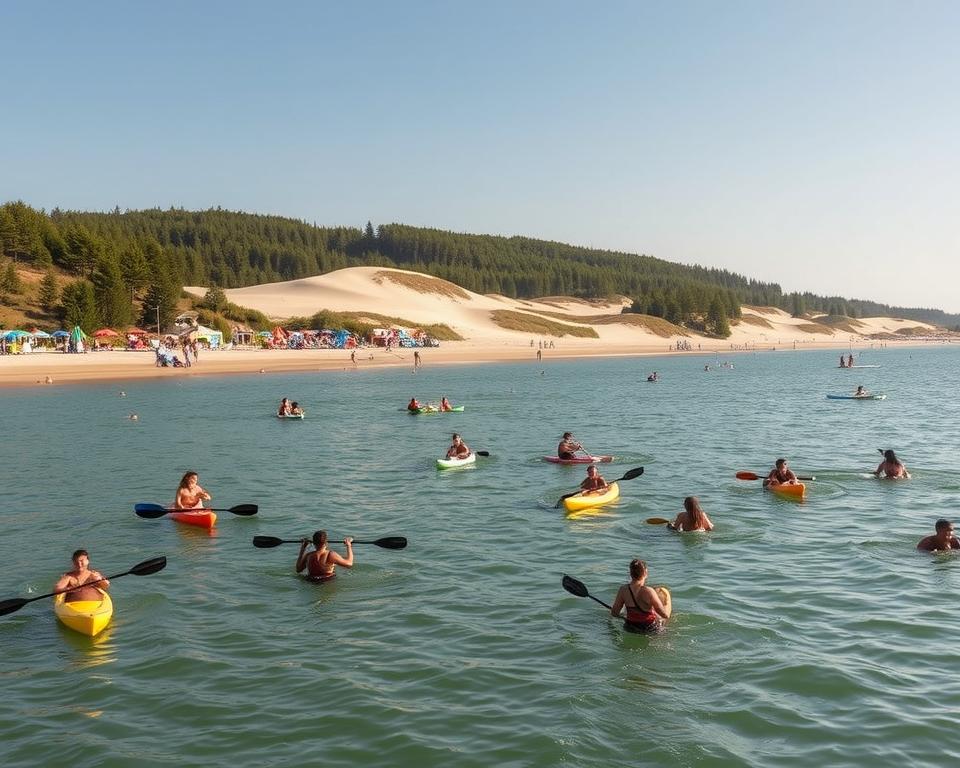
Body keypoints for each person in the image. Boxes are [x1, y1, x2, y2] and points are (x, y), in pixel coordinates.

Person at [610, 559, 671, 631]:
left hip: (630, 627)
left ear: (630, 573)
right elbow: (664, 614)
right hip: (649, 629)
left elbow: (614, 613)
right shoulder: (649, 591)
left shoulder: (623, 590)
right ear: (645, 573)